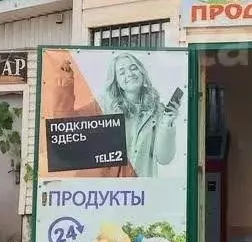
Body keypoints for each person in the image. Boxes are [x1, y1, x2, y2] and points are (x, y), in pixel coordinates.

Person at [45, 51, 180, 178]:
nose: (129, 74)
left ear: (142, 72)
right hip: (108, 191)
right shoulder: (102, 106)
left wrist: (167, 124)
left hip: (141, 192)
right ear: (117, 82)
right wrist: (65, 84)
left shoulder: (157, 109)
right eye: (122, 72)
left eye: (133, 68)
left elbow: (164, 158)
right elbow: (65, 124)